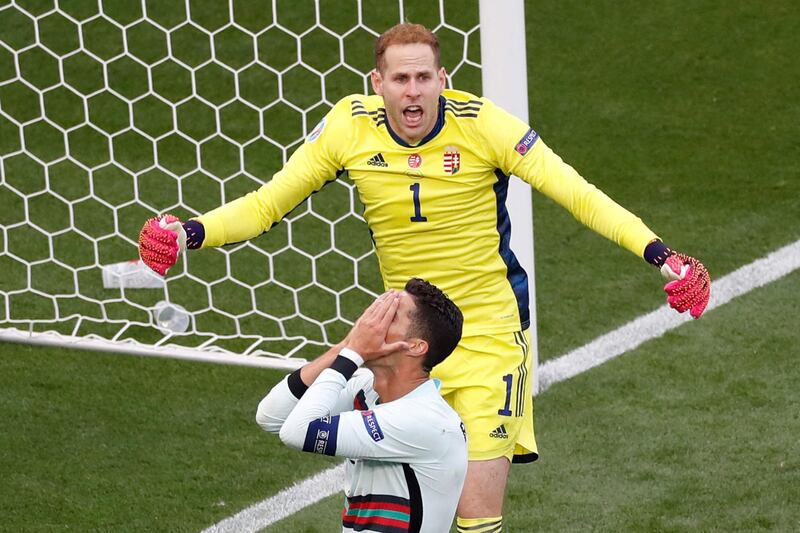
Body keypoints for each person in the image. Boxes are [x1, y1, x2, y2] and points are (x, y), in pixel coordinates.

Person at [139, 22, 711, 531]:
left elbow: (579, 194)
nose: (412, 92)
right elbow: (265, 205)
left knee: (478, 512)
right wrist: (190, 232)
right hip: (405, 342)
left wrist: (662, 254)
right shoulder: (348, 128)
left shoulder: (484, 125)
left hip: (489, 335)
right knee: (411, 508)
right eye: (399, 79)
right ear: (377, 83)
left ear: (443, 79)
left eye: (422, 78)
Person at [256, 278, 467, 532]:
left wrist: (354, 352)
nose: (370, 325)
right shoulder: (367, 388)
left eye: (389, 316)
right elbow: (271, 416)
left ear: (415, 347)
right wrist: (346, 346)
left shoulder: (423, 420)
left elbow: (296, 432)